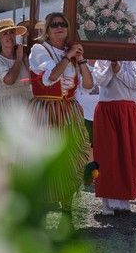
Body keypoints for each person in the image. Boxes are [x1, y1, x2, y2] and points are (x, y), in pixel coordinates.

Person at [28, 12, 93, 209]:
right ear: (47, 31)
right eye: (54, 24)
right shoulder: (39, 49)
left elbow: (89, 85)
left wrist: (80, 59)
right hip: (46, 110)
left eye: (63, 24)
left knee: (71, 158)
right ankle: (41, 210)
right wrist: (68, 56)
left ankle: (66, 209)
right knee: (45, 159)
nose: (59, 27)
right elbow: (51, 78)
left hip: (68, 110)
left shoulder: (71, 52)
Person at [92, 59, 136, 215]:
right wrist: (111, 65)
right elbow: (99, 80)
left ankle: (124, 198)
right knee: (106, 154)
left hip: (128, 108)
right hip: (107, 107)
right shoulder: (102, 60)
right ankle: (106, 199)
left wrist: (119, 70)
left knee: (128, 154)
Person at [0, 19, 32, 128]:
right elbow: (9, 80)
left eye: (11, 32)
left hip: (27, 104)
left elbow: (31, 80)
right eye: (5, 34)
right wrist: (19, 58)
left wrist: (23, 57)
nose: (9, 36)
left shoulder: (24, 55)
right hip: (7, 106)